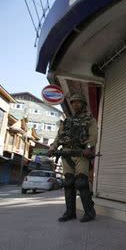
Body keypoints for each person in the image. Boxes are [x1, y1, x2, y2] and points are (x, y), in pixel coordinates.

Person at [48, 93, 98, 223]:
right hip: (66, 154)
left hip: (80, 154)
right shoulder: (67, 121)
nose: (75, 104)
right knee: (68, 183)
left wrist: (88, 147)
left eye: (78, 102)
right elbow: (59, 137)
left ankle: (89, 212)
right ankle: (70, 213)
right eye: (73, 102)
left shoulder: (90, 119)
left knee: (81, 183)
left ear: (83, 104)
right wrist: (53, 147)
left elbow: (93, 136)